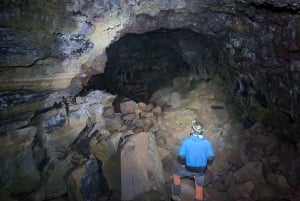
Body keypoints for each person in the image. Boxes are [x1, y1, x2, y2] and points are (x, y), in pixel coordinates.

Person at [172, 120, 214, 201]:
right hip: (201, 170)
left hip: (189, 168)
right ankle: (198, 198)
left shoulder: (186, 142)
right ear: (202, 131)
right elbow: (211, 157)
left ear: (192, 130)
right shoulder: (206, 143)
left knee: (176, 176)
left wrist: (183, 164)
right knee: (199, 185)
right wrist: (206, 164)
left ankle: (176, 195)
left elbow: (181, 156)